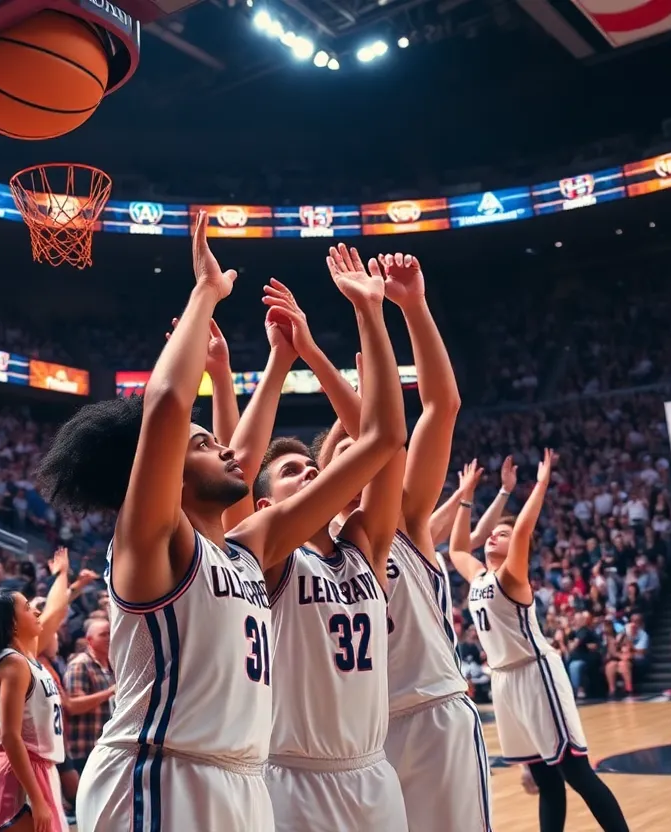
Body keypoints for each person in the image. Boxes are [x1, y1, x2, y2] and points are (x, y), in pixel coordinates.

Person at [33, 220, 401, 831]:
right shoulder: (152, 541)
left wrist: (370, 312)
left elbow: (385, 437)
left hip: (242, 780)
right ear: (165, 466)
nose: (232, 453)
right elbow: (168, 405)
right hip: (159, 774)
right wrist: (204, 291)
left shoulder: (247, 548)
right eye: (205, 444)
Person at [227, 250, 408, 831]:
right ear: (263, 506)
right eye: (291, 473)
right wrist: (269, 365)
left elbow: (386, 441)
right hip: (292, 779)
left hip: (374, 772)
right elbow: (235, 465)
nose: (308, 472)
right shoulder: (268, 559)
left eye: (312, 466)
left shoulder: (364, 543)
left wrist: (370, 313)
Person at [313, 256, 491, 831]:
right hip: (359, 740)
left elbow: (439, 407)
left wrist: (411, 308)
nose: (360, 456)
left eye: (363, 449)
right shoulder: (313, 547)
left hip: (434, 712)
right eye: (344, 454)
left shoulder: (408, 520)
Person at [450, 451, 630, 832]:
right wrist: (468, 495)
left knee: (577, 773)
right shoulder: (480, 577)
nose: (492, 537)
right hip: (503, 681)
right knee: (545, 781)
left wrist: (542, 483)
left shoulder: (512, 577)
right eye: (492, 533)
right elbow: (457, 549)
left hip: (536, 673)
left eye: (501, 534)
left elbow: (523, 528)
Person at [0, 592, 67, 832]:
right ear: (11, 623)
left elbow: (55, 612)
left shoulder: (27, 656)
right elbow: (10, 736)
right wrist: (35, 797)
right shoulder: (14, 663)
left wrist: (63, 575)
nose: (35, 611)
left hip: (34, 769)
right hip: (18, 774)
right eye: (27, 607)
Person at [62, 619, 115, 781]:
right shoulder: (80, 664)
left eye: (110, 634)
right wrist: (108, 693)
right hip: (86, 750)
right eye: (103, 635)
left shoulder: (112, 665)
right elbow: (73, 706)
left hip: (106, 748)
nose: (109, 638)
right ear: (90, 640)